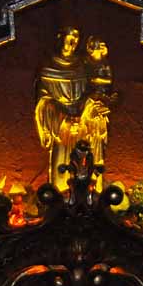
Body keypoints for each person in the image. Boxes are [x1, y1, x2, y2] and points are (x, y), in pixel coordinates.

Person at [35, 28, 112, 192]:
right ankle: (61, 198)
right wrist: (63, 119)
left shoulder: (84, 66)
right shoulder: (48, 67)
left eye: (76, 38)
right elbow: (43, 102)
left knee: (88, 165)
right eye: (70, 36)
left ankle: (91, 196)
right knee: (63, 172)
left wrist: (90, 110)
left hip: (85, 125)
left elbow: (95, 91)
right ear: (60, 37)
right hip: (62, 129)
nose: (73, 42)